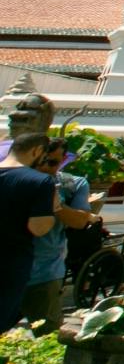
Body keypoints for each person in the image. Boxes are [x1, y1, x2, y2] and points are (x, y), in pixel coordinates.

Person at [23, 138, 97, 334]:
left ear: (63, 160)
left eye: (53, 163)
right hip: (8, 269)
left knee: (45, 332)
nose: (45, 169)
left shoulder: (72, 184)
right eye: (40, 162)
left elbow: (81, 221)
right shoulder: (14, 180)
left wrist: (56, 205)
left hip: (43, 273)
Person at [0, 133, 59, 332]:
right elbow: (38, 227)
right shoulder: (40, 182)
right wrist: (53, 209)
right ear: (37, 151)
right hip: (10, 263)